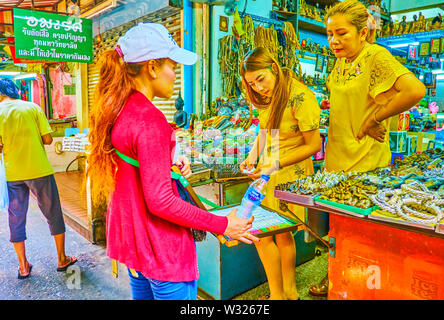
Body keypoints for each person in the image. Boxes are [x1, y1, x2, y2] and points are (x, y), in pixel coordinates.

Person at [86, 22, 259, 300]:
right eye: (173, 67)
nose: (175, 76)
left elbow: (135, 169)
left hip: (134, 245)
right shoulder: (150, 119)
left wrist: (166, 169)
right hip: (162, 251)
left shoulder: (119, 108)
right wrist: (223, 224)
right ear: (152, 67)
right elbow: (161, 201)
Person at [309, 0, 426, 297]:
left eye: (342, 33)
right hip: (337, 157)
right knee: (338, 230)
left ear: (363, 33)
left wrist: (373, 118)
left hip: (365, 160)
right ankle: (337, 276)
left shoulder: (375, 56)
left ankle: (359, 285)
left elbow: (414, 90)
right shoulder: (341, 61)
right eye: (330, 33)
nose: (333, 40)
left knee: (362, 234)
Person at [239, 47, 322, 300]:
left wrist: (275, 164)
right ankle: (289, 293)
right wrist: (251, 158)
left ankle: (278, 295)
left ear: (274, 67)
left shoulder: (301, 97)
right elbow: (264, 132)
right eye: (252, 84)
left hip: (288, 175)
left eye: (261, 79)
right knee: (279, 235)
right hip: (269, 172)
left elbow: (313, 145)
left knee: (265, 235)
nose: (259, 88)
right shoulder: (271, 96)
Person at [0, 78, 77, 279]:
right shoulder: (33, 108)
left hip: (13, 173)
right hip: (40, 170)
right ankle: (62, 259)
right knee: (53, 213)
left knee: (16, 217)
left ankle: (23, 266)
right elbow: (48, 139)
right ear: (16, 91)